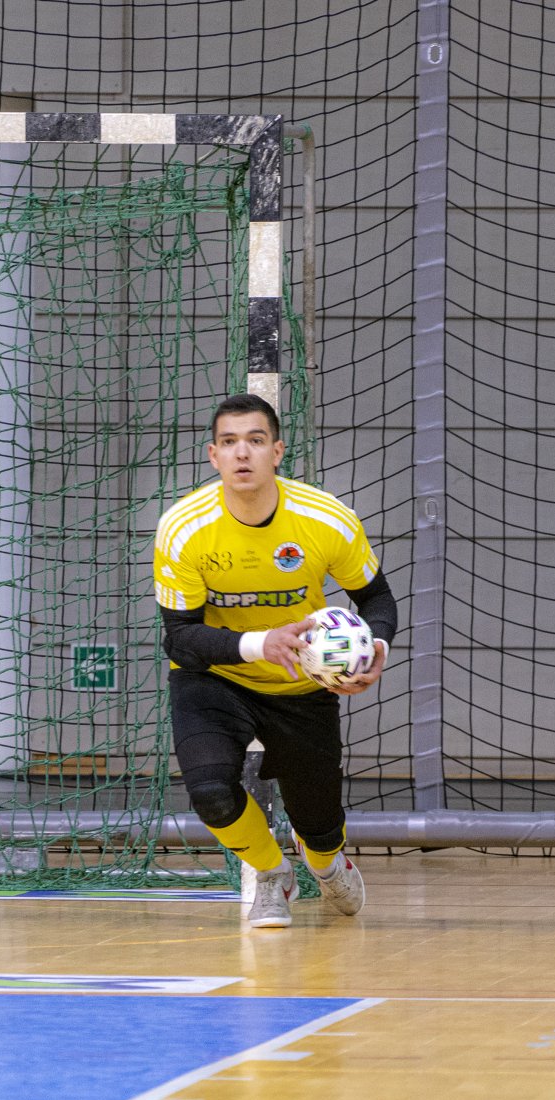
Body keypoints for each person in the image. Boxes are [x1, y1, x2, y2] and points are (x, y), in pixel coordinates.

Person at [153, 393, 396, 927]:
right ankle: (270, 874)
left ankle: (327, 866)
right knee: (211, 794)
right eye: (230, 442)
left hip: (302, 687)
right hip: (215, 677)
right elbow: (180, 638)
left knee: (320, 828)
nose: (243, 453)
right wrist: (259, 643)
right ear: (213, 456)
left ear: (278, 451)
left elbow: (375, 598)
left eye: (256, 441)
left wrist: (373, 649)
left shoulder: (325, 519)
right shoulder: (183, 528)